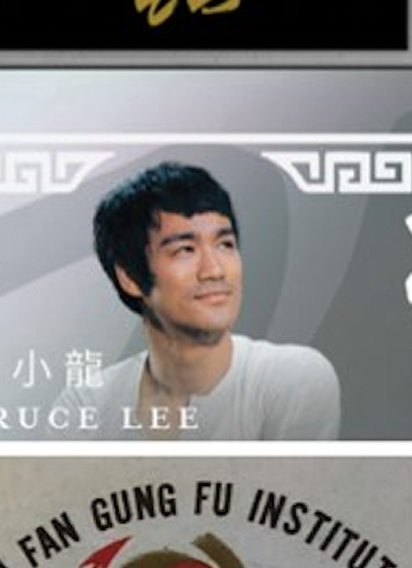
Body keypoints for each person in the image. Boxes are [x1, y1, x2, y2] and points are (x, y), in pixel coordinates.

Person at [89, 162, 340, 439]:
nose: (214, 270)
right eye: (185, 250)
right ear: (130, 277)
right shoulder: (90, 404)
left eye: (225, 244)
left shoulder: (292, 378)